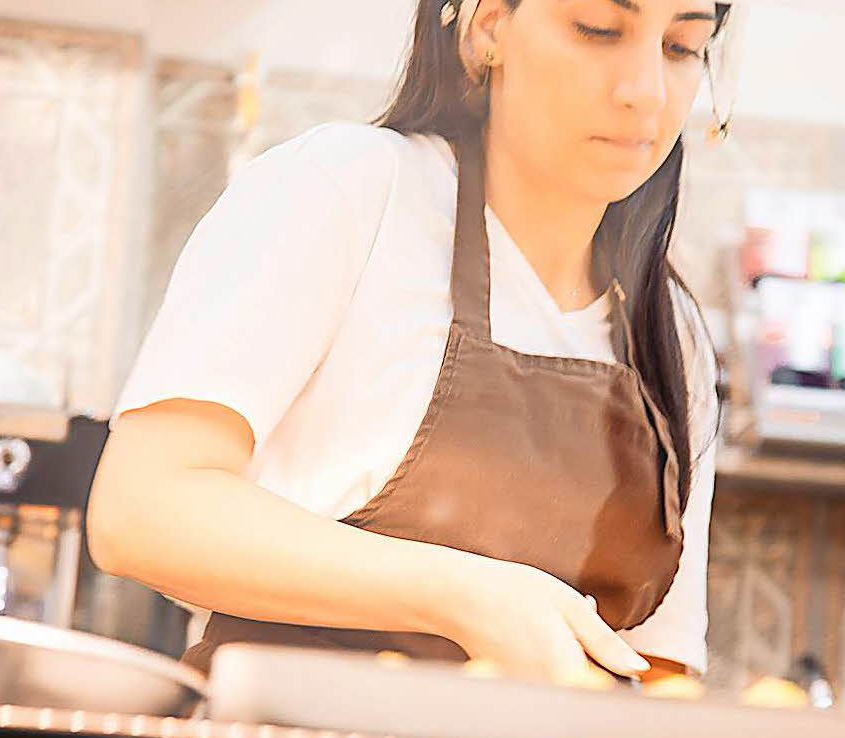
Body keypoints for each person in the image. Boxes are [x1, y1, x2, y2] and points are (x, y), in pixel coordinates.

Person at [87, 0, 731, 684]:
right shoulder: (350, 190)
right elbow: (143, 507)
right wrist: (461, 595)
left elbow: (660, 665)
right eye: (598, 30)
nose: (647, 92)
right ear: (488, 27)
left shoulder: (671, 331)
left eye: (681, 47)